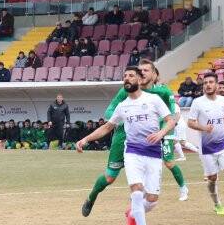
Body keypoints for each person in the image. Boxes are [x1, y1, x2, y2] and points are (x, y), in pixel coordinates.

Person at [76, 66, 175, 225]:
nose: (127, 79)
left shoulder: (154, 99)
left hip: (152, 152)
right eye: (125, 76)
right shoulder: (122, 103)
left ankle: (132, 214)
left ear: (140, 79)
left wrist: (161, 133)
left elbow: (171, 119)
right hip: (130, 149)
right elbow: (107, 125)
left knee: (152, 199)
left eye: (131, 76)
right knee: (129, 187)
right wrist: (85, 139)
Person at [81, 60, 189, 216]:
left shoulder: (163, 93)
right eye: (140, 70)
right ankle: (92, 197)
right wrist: (127, 118)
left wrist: (162, 131)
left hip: (149, 141)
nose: (142, 73)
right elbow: (110, 112)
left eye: (146, 70)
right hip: (123, 138)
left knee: (143, 184)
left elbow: (173, 116)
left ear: (154, 74)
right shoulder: (126, 91)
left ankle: (135, 217)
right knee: (110, 177)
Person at [186, 72, 224, 216]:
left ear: (217, 85)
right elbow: (190, 122)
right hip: (207, 148)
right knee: (212, 179)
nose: (208, 85)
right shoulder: (197, 102)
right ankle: (217, 203)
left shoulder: (223, 101)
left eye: (211, 82)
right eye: (205, 83)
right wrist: (204, 128)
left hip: (223, 144)